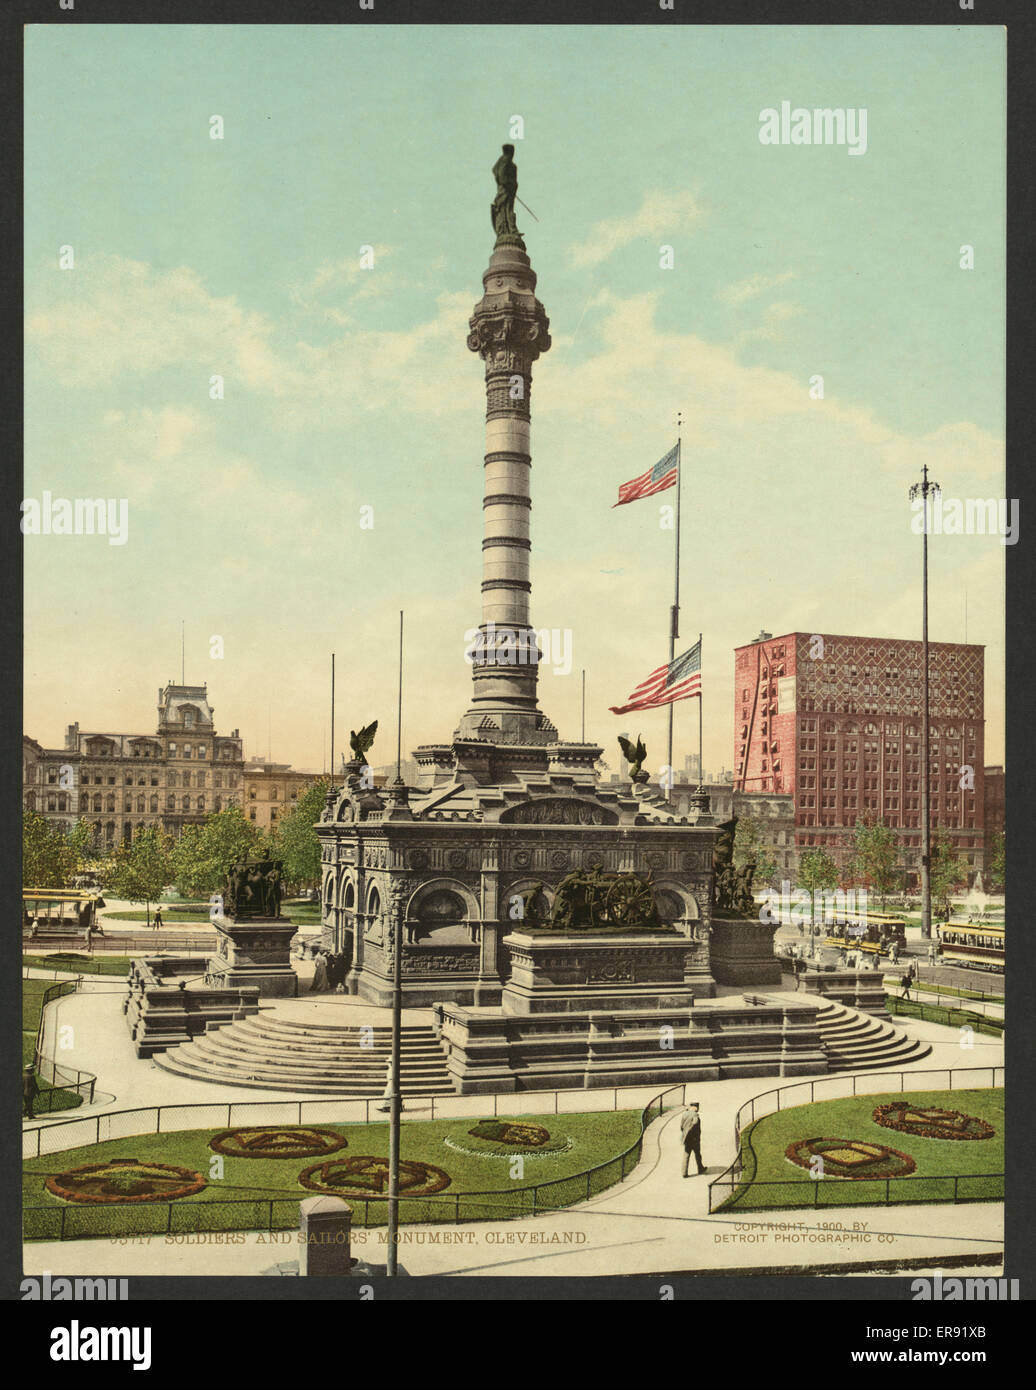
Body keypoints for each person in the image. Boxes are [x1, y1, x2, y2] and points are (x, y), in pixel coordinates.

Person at [680, 1102, 705, 1177]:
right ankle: (700, 1169)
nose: (698, 1109)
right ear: (695, 1107)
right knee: (697, 1154)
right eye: (697, 1107)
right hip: (694, 1139)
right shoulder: (695, 1114)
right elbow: (695, 1122)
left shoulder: (685, 1114)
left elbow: (681, 1126)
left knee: (686, 1155)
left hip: (686, 1139)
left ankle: (684, 1173)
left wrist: (685, 1133)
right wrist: (690, 1130)